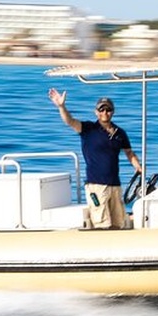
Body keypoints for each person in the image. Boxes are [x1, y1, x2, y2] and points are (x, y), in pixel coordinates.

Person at [48, 88, 142, 229]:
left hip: (115, 184)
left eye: (108, 110)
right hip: (96, 185)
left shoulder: (119, 133)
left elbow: (129, 153)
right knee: (102, 223)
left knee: (119, 223)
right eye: (102, 110)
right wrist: (61, 106)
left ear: (113, 112)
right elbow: (70, 121)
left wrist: (137, 166)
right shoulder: (88, 129)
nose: (105, 113)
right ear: (96, 112)